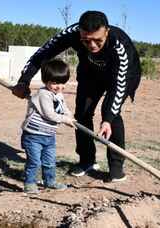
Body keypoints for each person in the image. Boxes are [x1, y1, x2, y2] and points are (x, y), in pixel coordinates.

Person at [13, 11, 141, 182]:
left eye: (98, 40)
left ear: (107, 31)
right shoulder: (71, 33)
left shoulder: (120, 45)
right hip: (90, 74)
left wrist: (108, 119)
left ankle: (116, 166)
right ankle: (87, 160)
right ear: (79, 32)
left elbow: (118, 86)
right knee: (82, 113)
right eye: (86, 41)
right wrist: (24, 81)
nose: (93, 45)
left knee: (111, 113)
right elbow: (43, 53)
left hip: (123, 76)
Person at [21, 59, 75, 194]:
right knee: (34, 162)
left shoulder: (58, 95)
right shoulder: (43, 94)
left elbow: (64, 109)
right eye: (55, 83)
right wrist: (64, 120)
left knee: (49, 161)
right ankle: (29, 183)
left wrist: (70, 117)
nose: (59, 86)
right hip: (33, 135)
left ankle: (49, 182)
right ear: (46, 81)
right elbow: (49, 114)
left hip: (49, 135)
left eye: (62, 83)